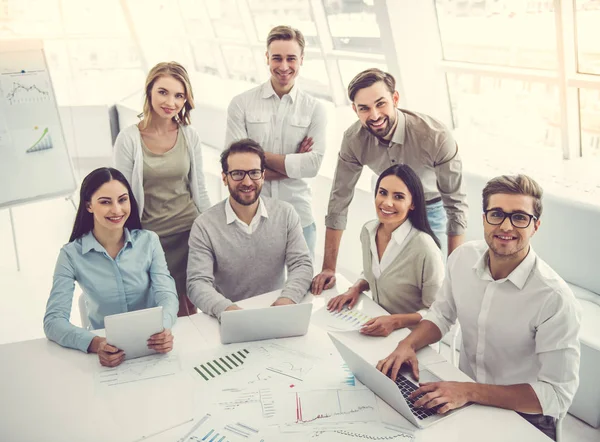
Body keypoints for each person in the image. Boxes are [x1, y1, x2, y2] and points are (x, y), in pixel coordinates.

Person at [376, 174, 580, 441]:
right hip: (463, 399)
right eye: (496, 214)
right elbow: (441, 314)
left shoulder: (554, 298)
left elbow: (556, 395)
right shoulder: (462, 258)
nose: (506, 226)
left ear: (535, 226)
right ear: (484, 218)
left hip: (525, 416)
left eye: (519, 217)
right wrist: (408, 344)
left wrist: (469, 391)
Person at [312, 68, 468, 294]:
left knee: (431, 285)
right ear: (355, 109)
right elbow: (339, 200)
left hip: (430, 207)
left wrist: (453, 277)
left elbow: (456, 206)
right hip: (389, 206)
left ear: (395, 99)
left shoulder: (435, 136)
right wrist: (328, 268)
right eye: (364, 108)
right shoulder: (353, 139)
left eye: (380, 104)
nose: (374, 115)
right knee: (385, 278)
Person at [43, 167, 178, 367]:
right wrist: (94, 343)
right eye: (105, 202)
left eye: (122, 200)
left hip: (153, 350)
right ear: (89, 205)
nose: (117, 210)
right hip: (107, 353)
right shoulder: (70, 255)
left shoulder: (149, 241)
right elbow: (53, 321)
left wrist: (163, 328)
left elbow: (167, 295)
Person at [113, 61, 211, 317]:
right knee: (157, 312)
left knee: (189, 312)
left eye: (179, 95)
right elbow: (120, 198)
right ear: (149, 92)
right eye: (163, 92)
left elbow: (199, 187)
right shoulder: (129, 138)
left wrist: (213, 229)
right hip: (149, 239)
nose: (171, 102)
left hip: (189, 235)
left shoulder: (190, 136)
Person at [225, 25, 327, 258]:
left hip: (299, 217)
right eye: (277, 58)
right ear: (266, 58)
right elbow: (234, 167)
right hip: (250, 218)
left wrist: (255, 156)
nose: (283, 66)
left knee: (302, 287)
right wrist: (293, 165)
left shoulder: (315, 109)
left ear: (301, 59)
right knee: (255, 292)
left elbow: (312, 166)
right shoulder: (241, 104)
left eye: (291, 58)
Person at [187, 139, 313, 319]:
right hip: (228, 317)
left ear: (263, 175)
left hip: (275, 312)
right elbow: (197, 283)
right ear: (225, 178)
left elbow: (301, 264)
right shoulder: (204, 225)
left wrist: (288, 299)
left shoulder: (286, 214)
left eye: (254, 173)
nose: (247, 182)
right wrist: (228, 311)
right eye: (238, 173)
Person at [326, 165, 444, 336]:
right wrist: (356, 288)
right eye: (382, 193)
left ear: (412, 204)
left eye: (398, 197)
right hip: (377, 327)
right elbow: (376, 272)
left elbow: (436, 312)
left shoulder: (425, 249)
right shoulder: (368, 231)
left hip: (413, 338)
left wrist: (396, 321)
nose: (387, 203)